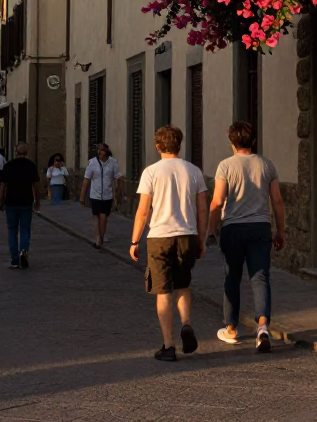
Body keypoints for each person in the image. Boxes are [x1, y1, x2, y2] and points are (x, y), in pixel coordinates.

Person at [129, 126, 207, 362]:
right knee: (183, 285)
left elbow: (143, 211)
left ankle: (168, 345)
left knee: (162, 291)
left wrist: (134, 240)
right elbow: (202, 209)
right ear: (179, 144)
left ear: (158, 146)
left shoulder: (151, 172)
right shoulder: (194, 172)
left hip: (160, 236)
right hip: (187, 234)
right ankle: (186, 323)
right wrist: (202, 239)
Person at [209, 122, 286, 352]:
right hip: (260, 227)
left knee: (232, 277)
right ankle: (262, 327)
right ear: (253, 141)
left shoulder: (225, 166)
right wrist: (280, 230)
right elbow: (278, 201)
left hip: (233, 228)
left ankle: (231, 329)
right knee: (260, 277)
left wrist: (211, 230)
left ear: (232, 143)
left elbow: (217, 201)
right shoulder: (266, 165)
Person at [0, 143, 41, 269]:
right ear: (26, 152)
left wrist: (1, 202)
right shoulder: (31, 166)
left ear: (15, 152)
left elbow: (3, 186)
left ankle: (15, 260)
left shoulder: (8, 166)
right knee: (25, 230)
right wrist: (37, 201)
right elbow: (36, 186)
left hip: (11, 202)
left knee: (12, 231)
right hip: (26, 202)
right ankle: (23, 251)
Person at [81, 143, 124, 249]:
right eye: (99, 150)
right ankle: (98, 239)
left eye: (103, 150)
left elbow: (118, 176)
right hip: (95, 194)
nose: (100, 152)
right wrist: (82, 195)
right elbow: (86, 180)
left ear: (107, 151)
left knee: (104, 216)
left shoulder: (113, 162)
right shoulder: (92, 163)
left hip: (107, 194)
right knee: (96, 216)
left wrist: (118, 188)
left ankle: (101, 236)